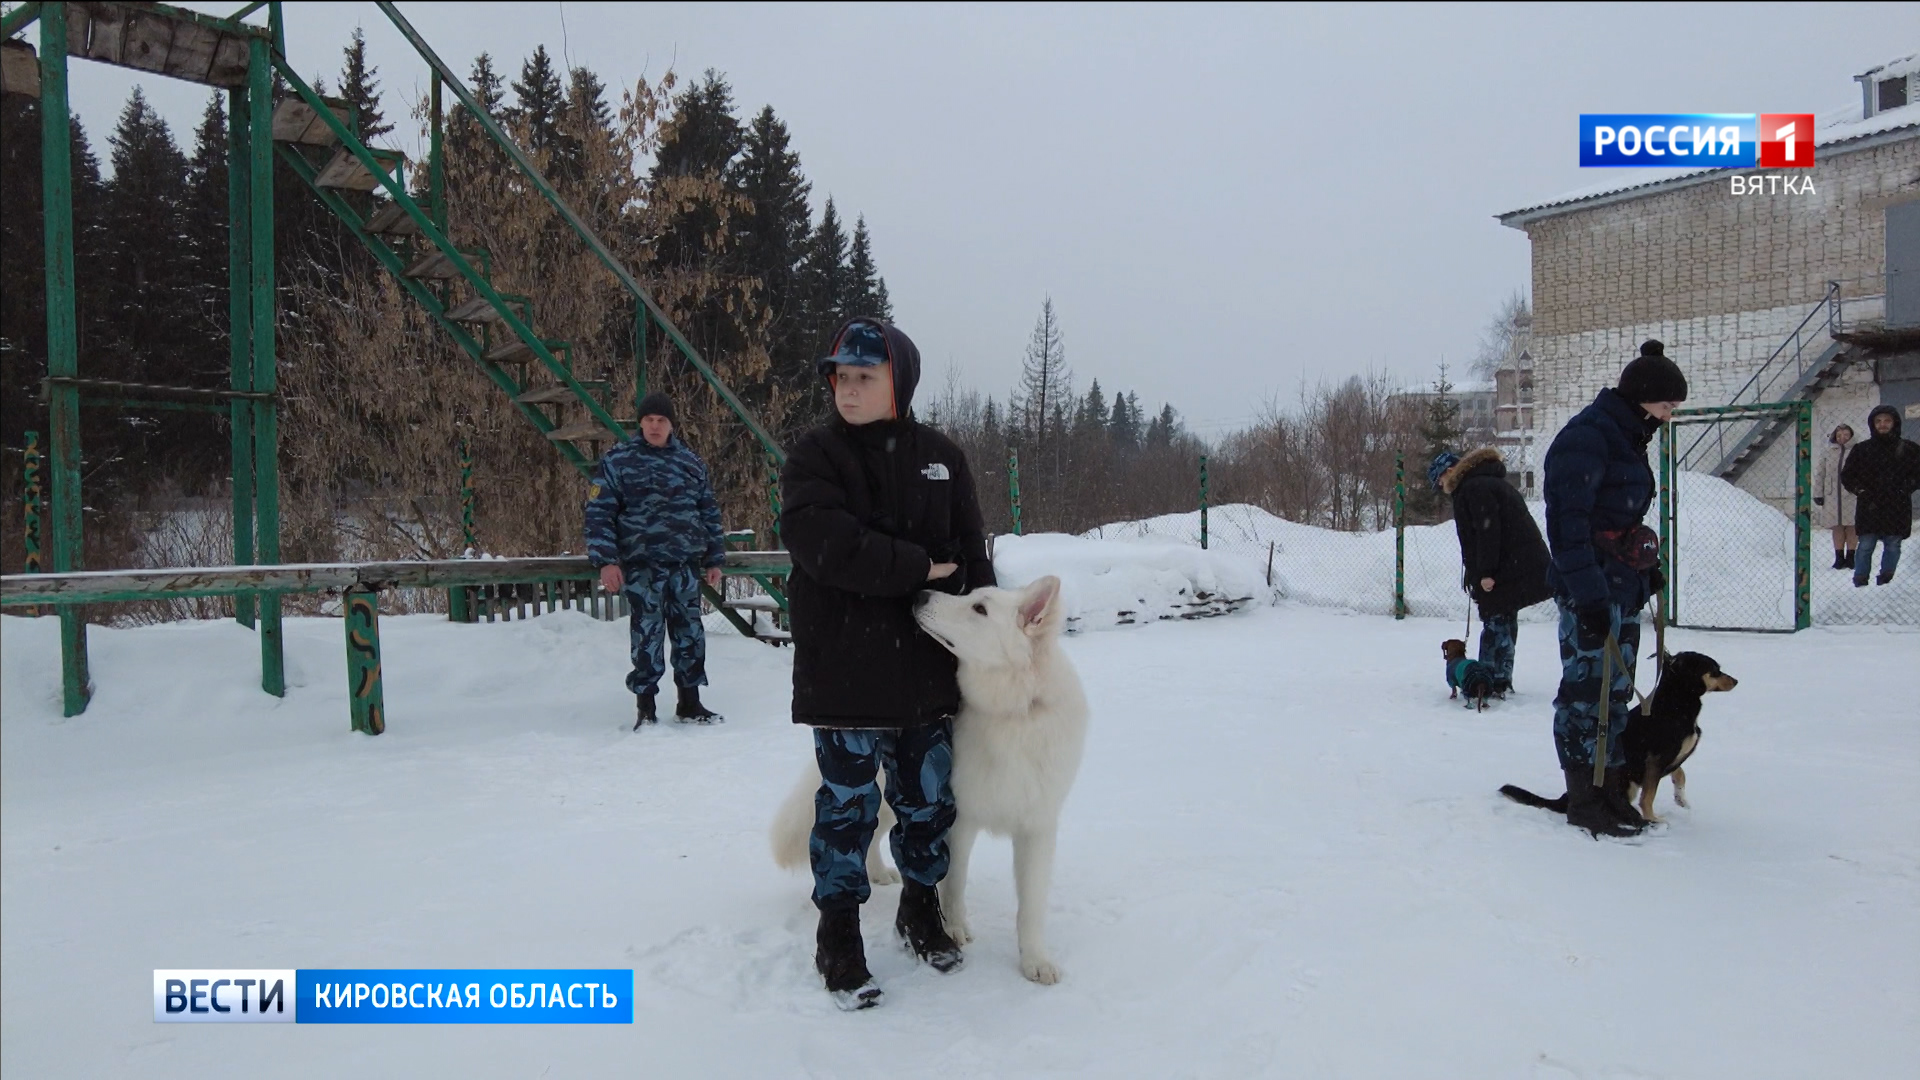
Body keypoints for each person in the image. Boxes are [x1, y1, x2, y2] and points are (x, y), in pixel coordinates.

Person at [779, 317, 996, 1009]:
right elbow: (827, 546)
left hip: (927, 671)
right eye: (841, 377)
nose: (848, 389)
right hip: (844, 671)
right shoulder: (815, 457)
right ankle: (839, 930)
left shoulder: (943, 457)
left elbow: (973, 555)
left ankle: (920, 907)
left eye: (864, 377)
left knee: (928, 801)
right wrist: (917, 567)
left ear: (898, 381)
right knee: (846, 807)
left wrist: (984, 620)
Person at [1541, 339, 1686, 839]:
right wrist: (1589, 595)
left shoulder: (1625, 437)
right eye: (1667, 406)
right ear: (1641, 398)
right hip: (1591, 588)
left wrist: (1645, 571)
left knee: (1616, 692)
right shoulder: (1588, 437)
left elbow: (1618, 517)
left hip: (1621, 583)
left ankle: (1609, 789)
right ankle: (1584, 796)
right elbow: (1568, 525)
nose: (1669, 417)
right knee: (1586, 694)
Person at [584, 392, 727, 728]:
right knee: (647, 635)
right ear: (640, 423)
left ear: (671, 424)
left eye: (661, 420)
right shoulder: (619, 461)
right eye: (648, 419)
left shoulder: (690, 463)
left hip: (684, 567)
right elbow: (599, 513)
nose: (654, 425)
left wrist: (714, 558)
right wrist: (606, 560)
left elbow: (708, 511)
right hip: (642, 567)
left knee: (690, 633)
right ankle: (645, 708)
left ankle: (690, 703)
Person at [1430, 447, 1552, 696]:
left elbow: (1487, 532)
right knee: (1504, 618)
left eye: (1439, 481)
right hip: (1517, 563)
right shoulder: (1484, 482)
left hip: (1507, 567)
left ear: (1449, 472)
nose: (1441, 487)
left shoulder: (1474, 488)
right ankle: (1499, 679)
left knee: (1496, 620)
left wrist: (1485, 572)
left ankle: (1484, 682)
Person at [1841, 404, 1920, 587]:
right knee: (1866, 545)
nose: (1882, 424)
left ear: (1895, 423)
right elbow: (1847, 475)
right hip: (1870, 506)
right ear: (1872, 424)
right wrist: (1860, 490)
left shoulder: (1909, 449)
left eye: (1887, 421)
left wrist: (1906, 488)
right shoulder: (1862, 450)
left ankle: (1886, 580)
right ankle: (1860, 580)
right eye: (1878, 421)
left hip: (1897, 505)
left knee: (1893, 544)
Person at [1814, 424, 1858, 570]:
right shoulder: (1828, 452)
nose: (1842, 438)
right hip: (1832, 495)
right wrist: (1818, 493)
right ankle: (1839, 558)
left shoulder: (1858, 451)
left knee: (1852, 526)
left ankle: (1851, 557)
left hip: (1852, 494)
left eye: (1845, 435)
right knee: (1837, 527)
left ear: (1851, 436)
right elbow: (1821, 473)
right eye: (1839, 435)